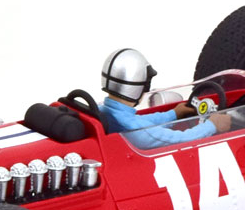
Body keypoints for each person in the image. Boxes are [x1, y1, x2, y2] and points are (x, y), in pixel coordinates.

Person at [99, 48, 231, 149]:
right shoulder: (134, 130)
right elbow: (180, 139)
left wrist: (173, 114)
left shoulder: (104, 112)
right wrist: (212, 125)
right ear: (139, 86)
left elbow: (140, 120)